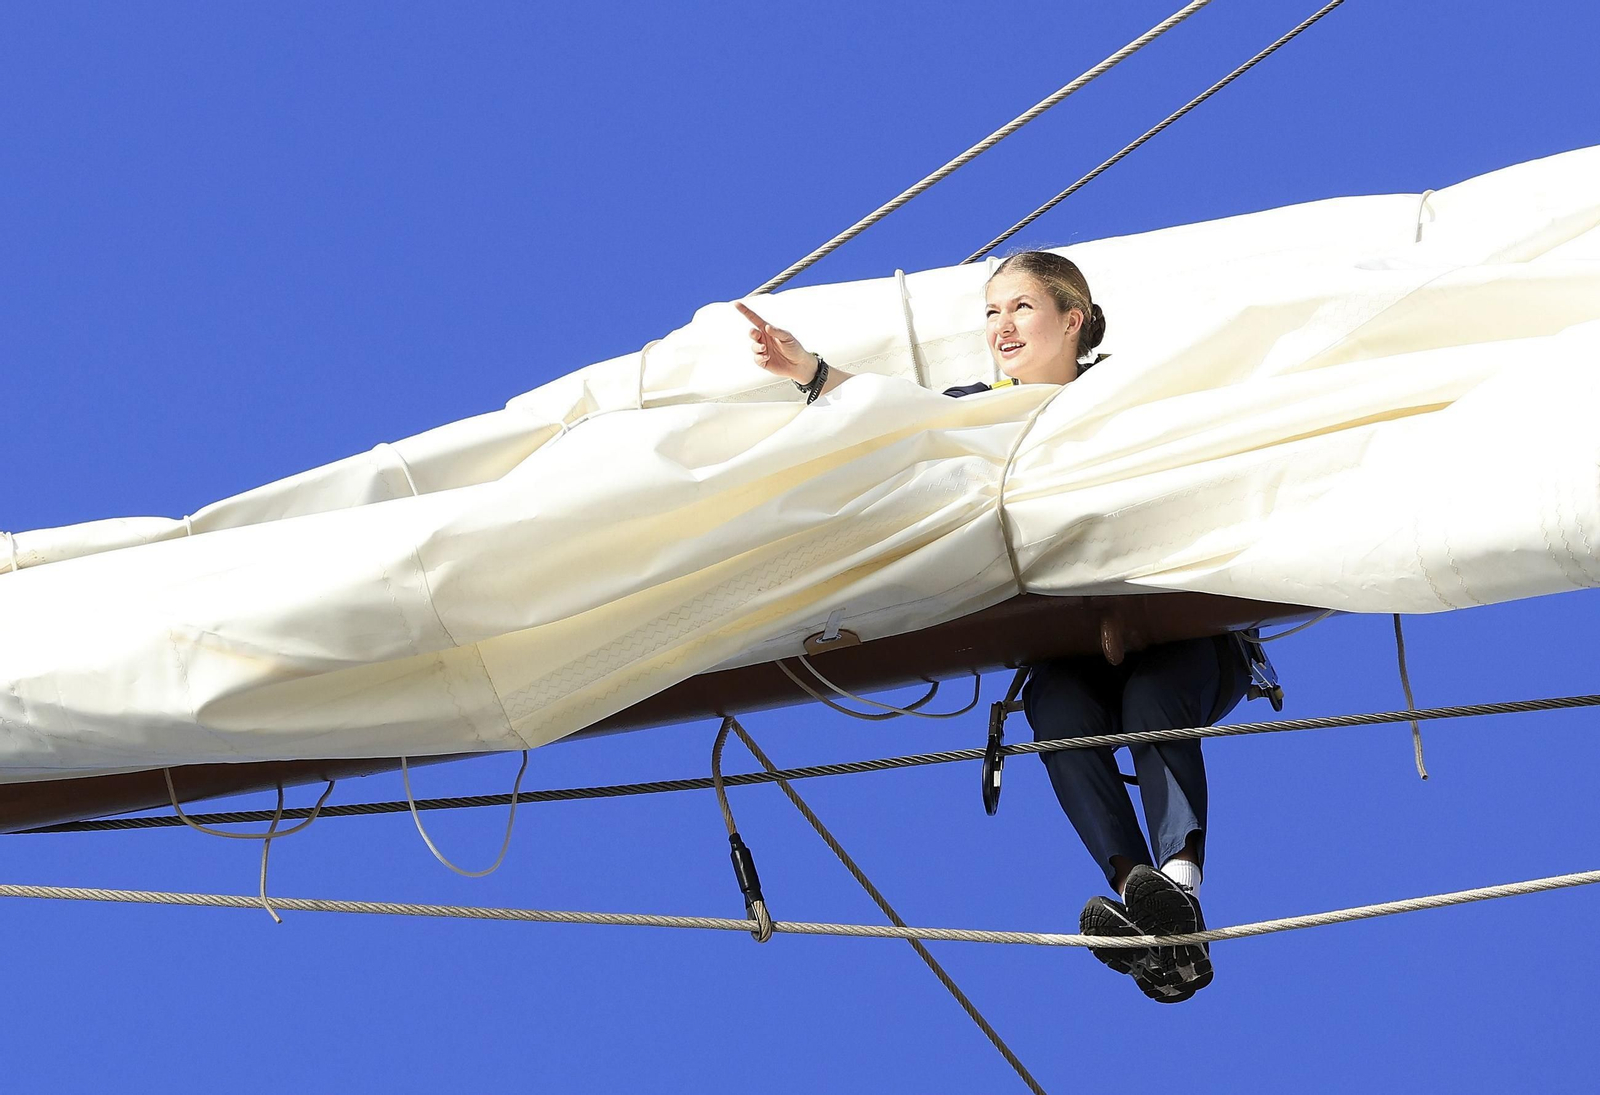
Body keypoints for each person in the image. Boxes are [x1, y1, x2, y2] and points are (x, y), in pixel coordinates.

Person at [736, 251, 1252, 1004]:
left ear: (1072, 321)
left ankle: (1178, 885)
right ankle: (1138, 898)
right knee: (1056, 708)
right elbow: (896, 416)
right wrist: (809, 372)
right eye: (990, 312)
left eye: (1020, 308)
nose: (1001, 327)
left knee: (1151, 701)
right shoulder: (978, 412)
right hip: (1070, 645)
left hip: (1181, 637)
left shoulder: (1128, 390)